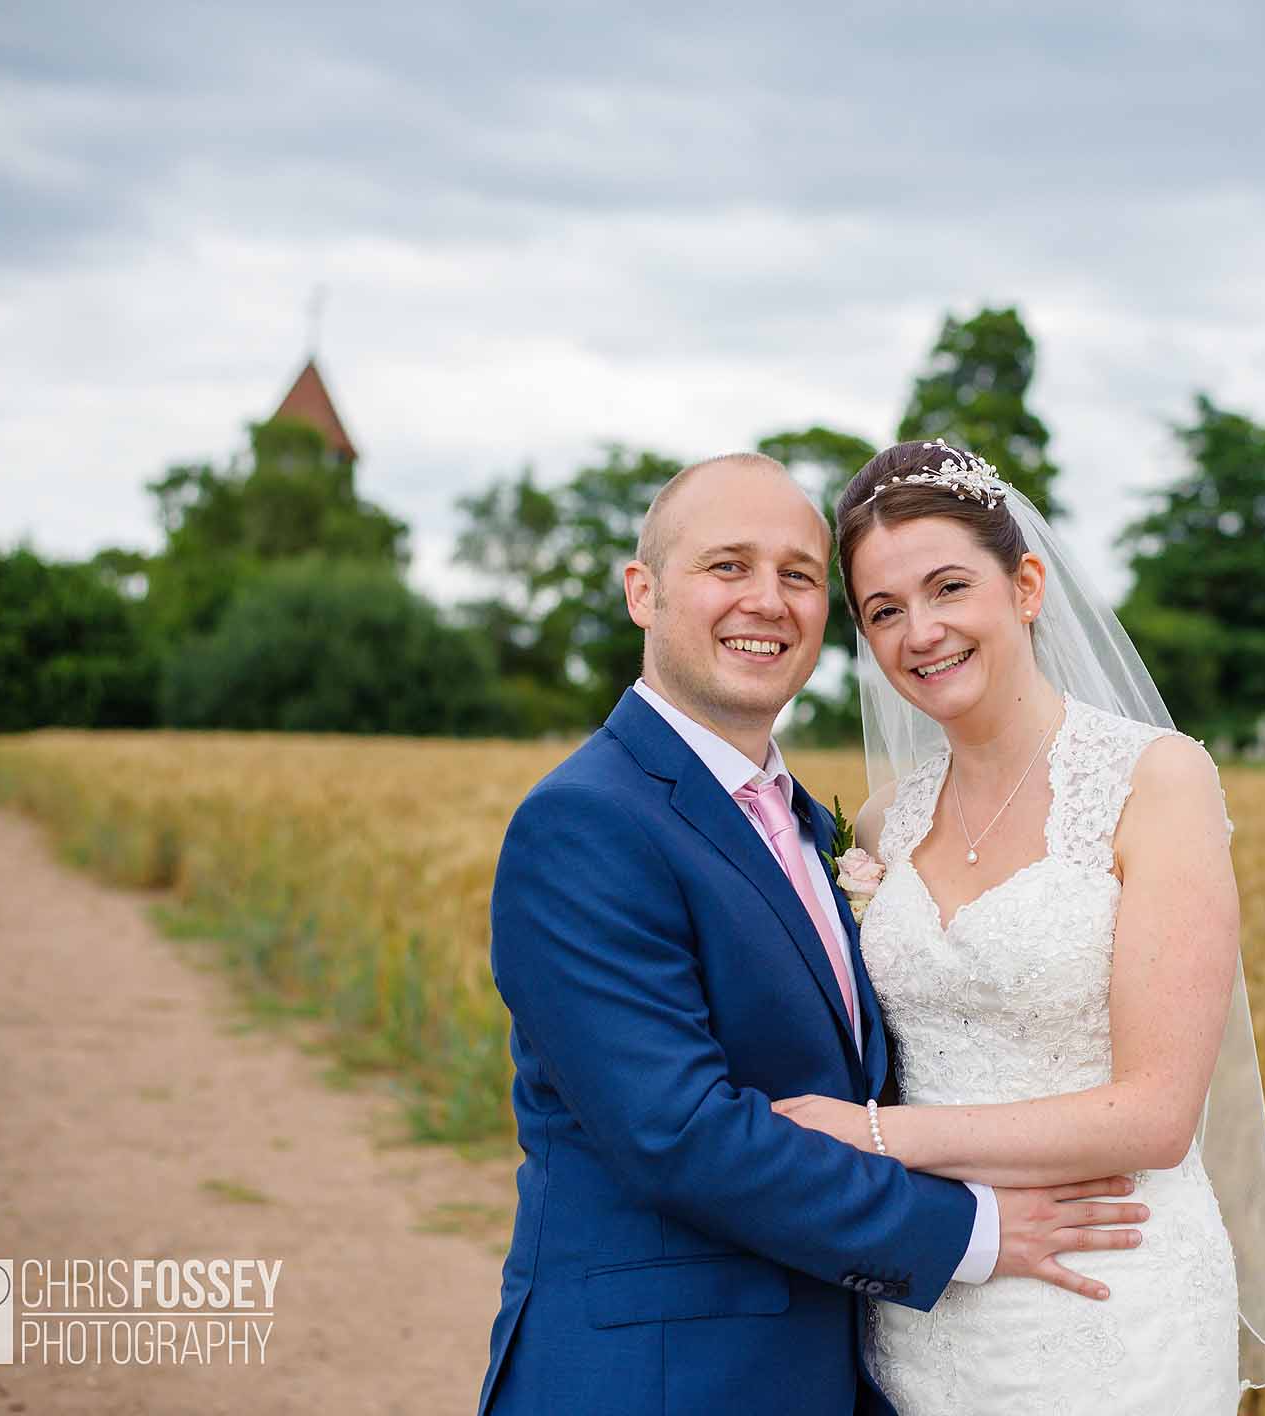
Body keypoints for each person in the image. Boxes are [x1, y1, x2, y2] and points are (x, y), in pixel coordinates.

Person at [476, 452, 1152, 1416]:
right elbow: (678, 1134)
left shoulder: (820, 828)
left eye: (798, 575)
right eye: (727, 566)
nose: (768, 600)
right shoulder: (585, 823)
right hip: (656, 1381)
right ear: (643, 592)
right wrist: (975, 1231)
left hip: (853, 1366)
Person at [771, 439, 1265, 1412]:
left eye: (947, 588)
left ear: (1024, 585)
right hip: (934, 1303)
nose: (920, 632)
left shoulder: (1155, 780)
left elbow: (1155, 1116)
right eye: (884, 611)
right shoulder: (885, 822)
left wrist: (873, 1138)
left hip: (1111, 1297)